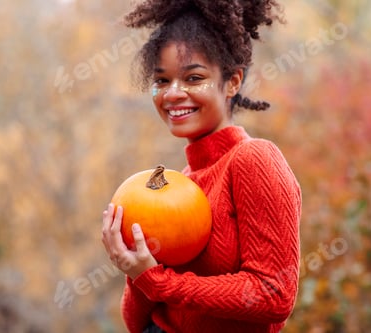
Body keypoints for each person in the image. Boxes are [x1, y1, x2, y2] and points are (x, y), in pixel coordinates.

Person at [101, 1, 301, 332]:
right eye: (162, 81)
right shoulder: (179, 185)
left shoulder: (254, 160)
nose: (173, 94)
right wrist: (133, 267)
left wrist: (159, 282)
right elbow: (138, 322)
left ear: (233, 81)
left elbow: (274, 294)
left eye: (194, 78)